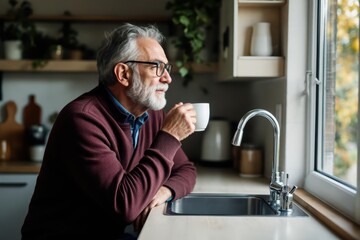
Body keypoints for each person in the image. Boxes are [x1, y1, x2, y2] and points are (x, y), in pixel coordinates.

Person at [21, 23, 197, 240]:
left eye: (166, 68)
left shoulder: (152, 114)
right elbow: (125, 205)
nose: (168, 78)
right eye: (156, 67)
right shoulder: (82, 119)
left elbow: (186, 170)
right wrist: (170, 136)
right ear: (123, 73)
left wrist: (164, 191)